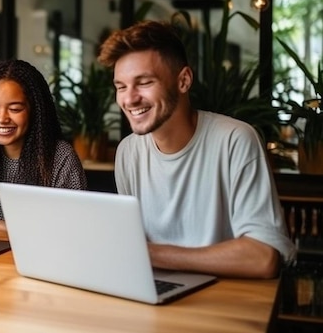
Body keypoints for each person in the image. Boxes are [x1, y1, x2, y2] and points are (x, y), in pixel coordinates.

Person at [98, 20, 295, 279]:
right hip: (154, 292)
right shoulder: (128, 152)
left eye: (144, 82)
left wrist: (152, 254)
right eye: (121, 87)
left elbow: (263, 256)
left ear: (183, 80)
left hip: (224, 296)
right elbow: (131, 244)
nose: (129, 98)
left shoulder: (235, 140)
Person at [0, 59, 87, 238]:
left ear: (35, 112)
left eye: (14, 109)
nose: (1, 118)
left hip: (39, 264)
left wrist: (2, 227)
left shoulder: (60, 157)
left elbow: (75, 230)